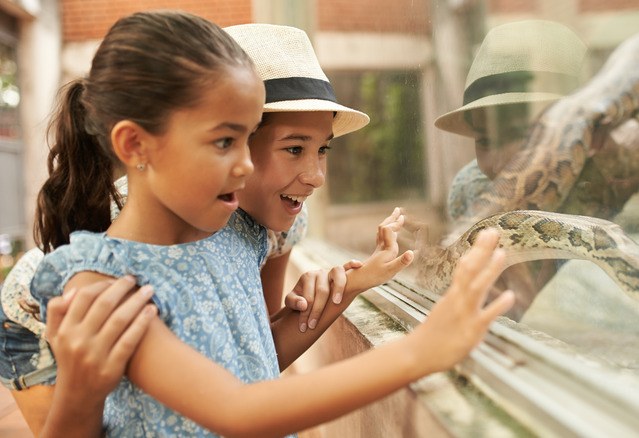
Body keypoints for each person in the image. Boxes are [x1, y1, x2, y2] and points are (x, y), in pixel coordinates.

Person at [29, 14, 514, 438]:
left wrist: (352, 285)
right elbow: (237, 409)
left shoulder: (245, 234)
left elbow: (255, 362)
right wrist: (419, 352)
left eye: (247, 141)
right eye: (225, 142)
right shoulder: (108, 281)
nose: (243, 165)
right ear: (135, 146)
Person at [433, 20, 587, 316]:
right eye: (486, 140)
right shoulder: (471, 188)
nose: (501, 164)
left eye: (523, 136)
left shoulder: (608, 195)